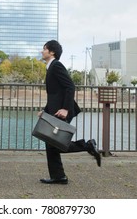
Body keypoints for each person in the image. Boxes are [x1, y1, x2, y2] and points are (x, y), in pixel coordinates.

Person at [38, 40, 101, 185]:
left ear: (51, 52)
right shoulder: (51, 67)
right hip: (57, 110)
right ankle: (59, 176)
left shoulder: (56, 66)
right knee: (51, 142)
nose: (42, 51)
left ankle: (87, 145)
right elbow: (55, 94)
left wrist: (66, 109)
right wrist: (45, 111)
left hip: (63, 111)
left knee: (55, 143)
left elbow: (70, 87)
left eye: (44, 49)